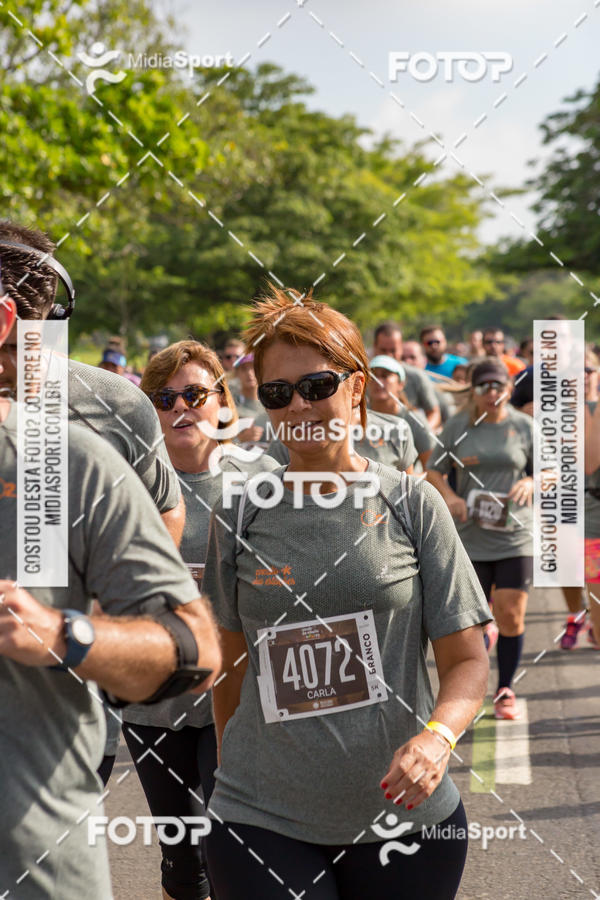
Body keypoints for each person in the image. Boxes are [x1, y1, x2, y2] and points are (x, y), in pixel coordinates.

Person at [203, 286, 490, 900]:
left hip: (405, 820)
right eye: (278, 393)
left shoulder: (413, 504)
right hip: (261, 814)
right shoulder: (239, 513)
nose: (299, 406)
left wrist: (438, 737)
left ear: (357, 388)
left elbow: (466, 661)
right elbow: (229, 659)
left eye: (317, 386)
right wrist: (232, 768)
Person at [0, 287, 221, 899]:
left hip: (51, 794)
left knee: (212, 839)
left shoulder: (85, 434)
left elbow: (165, 515)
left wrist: (80, 626)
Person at [0, 222, 186, 782]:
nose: (13, 371)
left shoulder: (115, 405)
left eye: (22, 351)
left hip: (65, 718)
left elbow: (167, 509)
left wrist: (99, 618)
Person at [122, 340, 279, 900]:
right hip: (151, 705)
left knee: (230, 847)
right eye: (163, 399)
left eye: (194, 394)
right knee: (181, 863)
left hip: (233, 703)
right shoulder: (125, 485)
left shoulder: (262, 480)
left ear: (224, 404)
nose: (180, 408)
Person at [427, 358, 534, 720]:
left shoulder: (524, 426)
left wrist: (531, 481)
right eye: (485, 386)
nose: (493, 393)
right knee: (471, 622)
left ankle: (505, 689)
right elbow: (434, 472)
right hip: (470, 537)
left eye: (499, 386)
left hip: (514, 535)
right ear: (473, 390)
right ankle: (468, 695)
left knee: (510, 613)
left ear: (509, 388)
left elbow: (549, 471)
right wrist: (452, 498)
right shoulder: (459, 426)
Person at [561, 351, 600, 650]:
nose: (584, 375)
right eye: (578, 369)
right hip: (575, 509)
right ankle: (579, 617)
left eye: (589, 369)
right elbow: (587, 462)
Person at [366, 355, 433, 469]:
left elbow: (433, 472)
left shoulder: (415, 420)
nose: (378, 381)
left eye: (385, 376)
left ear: (401, 384)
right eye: (373, 376)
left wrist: (409, 481)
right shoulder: (356, 417)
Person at [373, 321, 441, 429]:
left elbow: (434, 413)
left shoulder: (416, 376)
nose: (388, 355)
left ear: (401, 347)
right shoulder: (363, 377)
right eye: (383, 350)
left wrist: (419, 434)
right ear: (375, 347)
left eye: (393, 350)